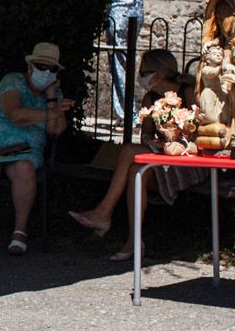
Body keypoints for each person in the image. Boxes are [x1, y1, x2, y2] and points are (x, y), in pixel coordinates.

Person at [70, 48, 201, 260]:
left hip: (185, 160)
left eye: (142, 71)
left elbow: (198, 132)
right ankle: (133, 239)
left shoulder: (187, 92)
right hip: (160, 158)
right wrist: (153, 141)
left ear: (157, 74)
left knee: (129, 151)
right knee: (136, 170)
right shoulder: (150, 98)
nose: (140, 76)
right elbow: (146, 134)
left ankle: (104, 213)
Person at [0, 42, 71, 256]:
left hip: (25, 150)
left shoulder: (55, 94)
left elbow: (56, 130)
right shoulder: (13, 81)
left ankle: (20, 230)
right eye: (41, 67)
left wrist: (52, 98)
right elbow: (14, 114)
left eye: (52, 69)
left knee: (24, 169)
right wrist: (50, 112)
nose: (46, 72)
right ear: (30, 66)